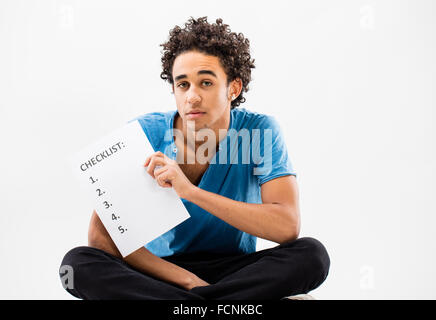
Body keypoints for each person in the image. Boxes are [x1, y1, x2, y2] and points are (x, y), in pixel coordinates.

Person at [60, 16, 330, 300]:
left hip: (236, 270)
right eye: (183, 84)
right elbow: (101, 238)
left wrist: (189, 191)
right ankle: (212, 302)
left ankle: (186, 306)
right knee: (76, 264)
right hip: (160, 274)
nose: (192, 97)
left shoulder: (260, 130)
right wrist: (188, 281)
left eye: (206, 83)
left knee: (312, 255)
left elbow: (286, 227)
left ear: (233, 88)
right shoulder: (144, 132)